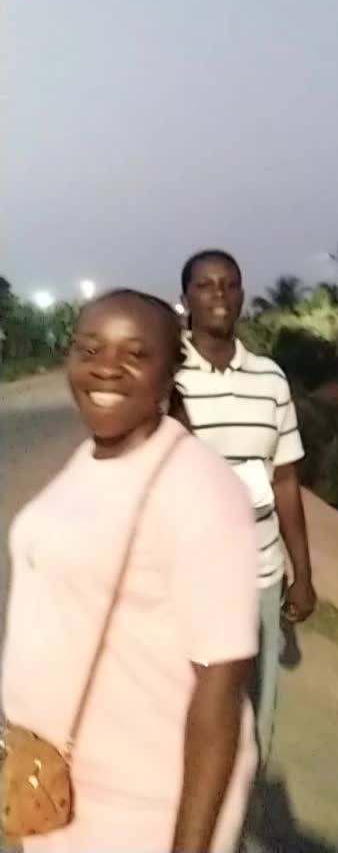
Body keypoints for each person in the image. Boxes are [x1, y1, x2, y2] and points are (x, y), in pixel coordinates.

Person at [1, 289, 259, 853]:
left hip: (138, 807)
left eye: (135, 354)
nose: (106, 367)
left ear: (170, 372)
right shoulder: (92, 457)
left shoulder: (198, 489)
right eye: (89, 349)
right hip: (55, 785)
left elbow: (220, 690)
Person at [175, 249, 316, 769]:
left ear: (241, 295)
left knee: (256, 716)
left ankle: (242, 806)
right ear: (186, 298)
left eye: (229, 284)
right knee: (187, 715)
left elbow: (285, 480)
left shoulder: (270, 380)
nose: (220, 294)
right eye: (206, 285)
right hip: (186, 581)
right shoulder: (166, 378)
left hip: (260, 573)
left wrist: (303, 574)